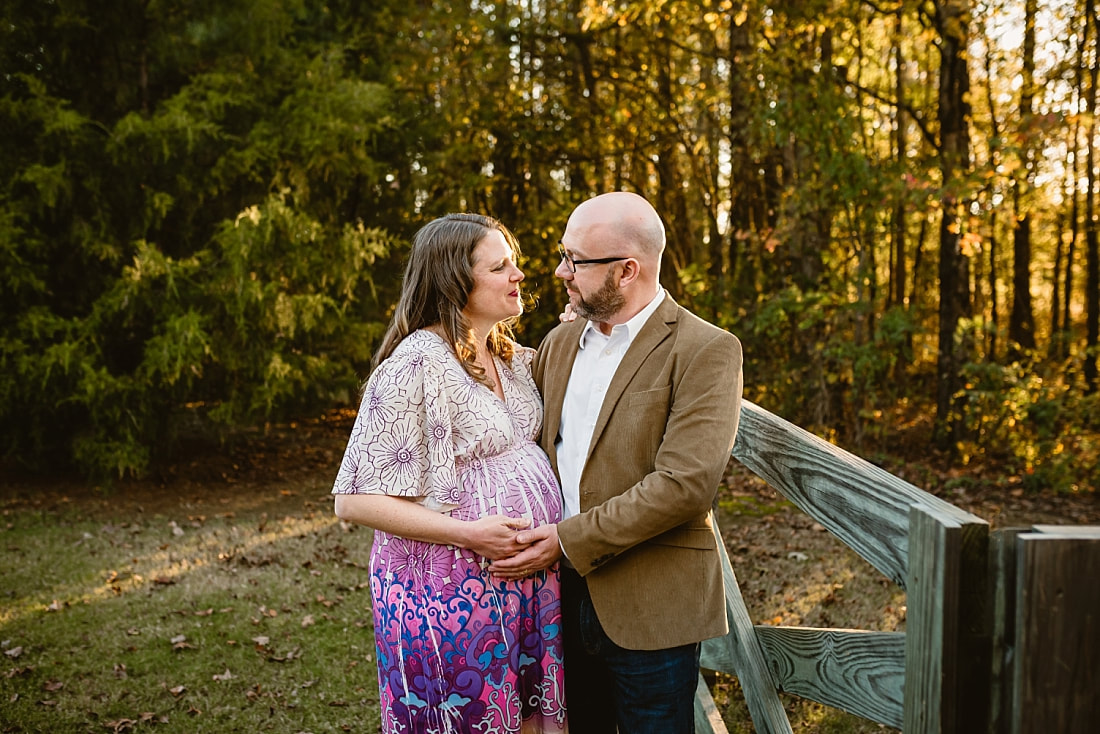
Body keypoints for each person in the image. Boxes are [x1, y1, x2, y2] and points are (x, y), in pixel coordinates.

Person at [490, 192, 744, 733]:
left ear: (627, 270)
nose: (560, 271)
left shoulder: (705, 349)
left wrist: (566, 538)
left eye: (575, 260)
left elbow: (685, 484)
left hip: (651, 601)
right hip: (556, 594)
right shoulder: (560, 342)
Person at [332, 213, 568, 734]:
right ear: (455, 280)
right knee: (470, 716)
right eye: (500, 266)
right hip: (448, 591)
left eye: (515, 262)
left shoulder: (505, 354)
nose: (519, 275)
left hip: (523, 579)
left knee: (526, 715)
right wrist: (470, 533)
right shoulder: (416, 362)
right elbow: (353, 500)